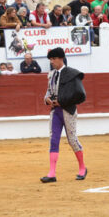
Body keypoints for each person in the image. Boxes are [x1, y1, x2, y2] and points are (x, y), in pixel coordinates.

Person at [40, 48, 88, 183]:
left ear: (60, 58)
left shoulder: (72, 74)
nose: (51, 62)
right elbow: (48, 91)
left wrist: (62, 101)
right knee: (53, 139)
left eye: (53, 59)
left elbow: (80, 94)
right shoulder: (51, 75)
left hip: (68, 111)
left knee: (72, 139)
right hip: (55, 111)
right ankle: (52, 173)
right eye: (50, 59)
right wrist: (47, 99)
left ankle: (82, 168)